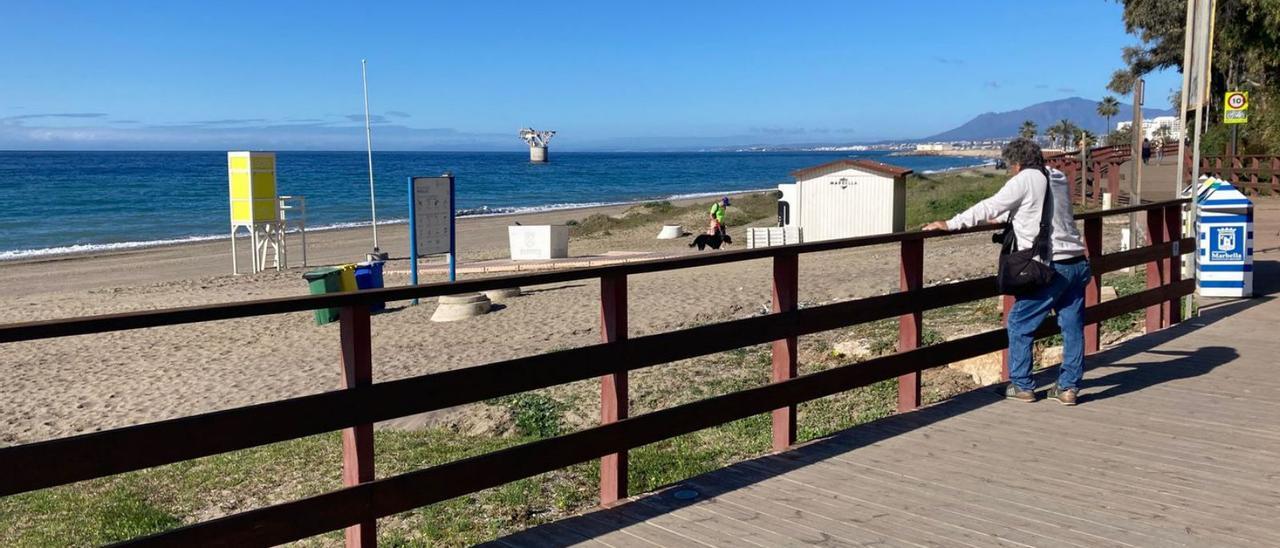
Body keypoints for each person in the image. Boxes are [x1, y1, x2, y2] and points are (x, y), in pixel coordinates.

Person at [923, 138, 1089, 405]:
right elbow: (1040, 210)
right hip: (1077, 262)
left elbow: (990, 206)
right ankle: (1068, 388)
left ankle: (1022, 385)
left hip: (1051, 266)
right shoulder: (1057, 176)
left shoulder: (1024, 179)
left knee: (1019, 323)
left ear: (1016, 163)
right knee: (1072, 326)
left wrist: (951, 223)